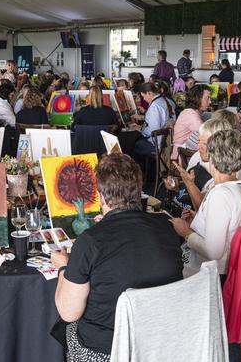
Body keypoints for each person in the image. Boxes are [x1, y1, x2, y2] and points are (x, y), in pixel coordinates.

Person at [51, 153, 183, 360]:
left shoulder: (90, 241)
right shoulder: (167, 229)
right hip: (157, 343)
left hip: (105, 351)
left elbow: (69, 312)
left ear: (101, 196)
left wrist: (63, 268)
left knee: (64, 327)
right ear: (139, 190)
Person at [171, 129, 241, 278]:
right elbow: (229, 227)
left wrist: (186, 232)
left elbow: (213, 252)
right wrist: (198, 217)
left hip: (210, 273)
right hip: (231, 267)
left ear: (212, 160)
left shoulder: (220, 195)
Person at [131, 82, 176, 157]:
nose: (144, 99)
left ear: (149, 93)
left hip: (157, 143)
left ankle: (144, 168)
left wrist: (140, 129)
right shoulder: (166, 100)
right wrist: (143, 117)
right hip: (167, 140)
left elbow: (153, 131)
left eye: (144, 96)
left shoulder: (154, 106)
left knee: (133, 145)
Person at [171, 85, 211, 158]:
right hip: (182, 157)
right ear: (197, 99)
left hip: (187, 153)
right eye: (207, 98)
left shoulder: (193, 112)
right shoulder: (190, 114)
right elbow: (206, 133)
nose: (210, 101)